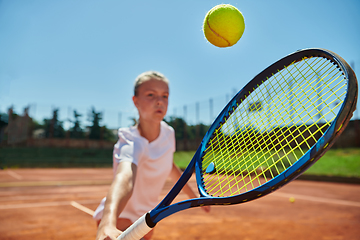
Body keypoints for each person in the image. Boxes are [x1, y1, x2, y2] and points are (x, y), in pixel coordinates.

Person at [94, 71, 210, 240]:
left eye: (165, 96)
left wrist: (194, 197)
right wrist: (107, 223)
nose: (159, 101)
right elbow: (125, 177)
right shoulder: (130, 140)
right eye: (150, 94)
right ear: (136, 101)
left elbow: (168, 164)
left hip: (147, 217)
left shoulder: (168, 133)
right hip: (120, 217)